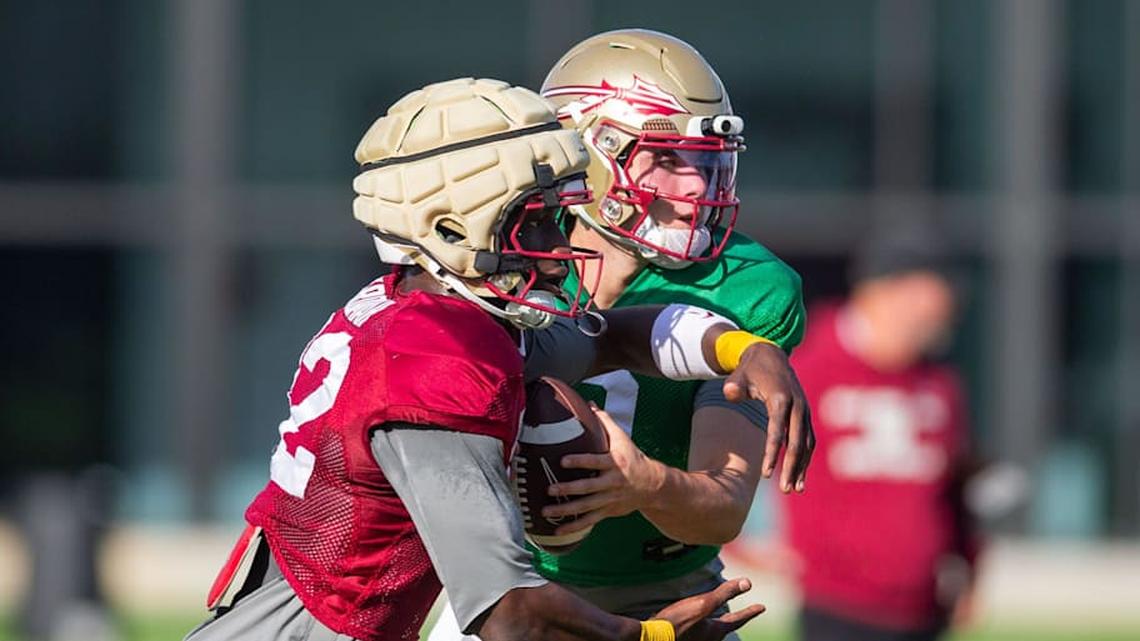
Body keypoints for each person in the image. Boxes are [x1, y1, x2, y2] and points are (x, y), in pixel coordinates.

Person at [184, 77, 806, 641]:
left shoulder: (431, 310)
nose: (562, 247)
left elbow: (611, 337)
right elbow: (508, 613)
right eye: (536, 224)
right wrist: (653, 636)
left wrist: (741, 347)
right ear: (455, 229)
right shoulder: (437, 362)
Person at [428, 29, 812, 641]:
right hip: (512, 589)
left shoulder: (747, 285)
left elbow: (723, 507)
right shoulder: (501, 262)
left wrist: (642, 485)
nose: (696, 187)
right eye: (667, 158)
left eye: (707, 161)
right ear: (587, 151)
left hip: (673, 592)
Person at [776, 225, 983, 641]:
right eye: (934, 296)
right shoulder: (808, 366)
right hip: (837, 611)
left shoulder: (938, 383)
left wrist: (969, 566)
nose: (945, 312)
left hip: (923, 613)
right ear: (889, 292)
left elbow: (956, 488)